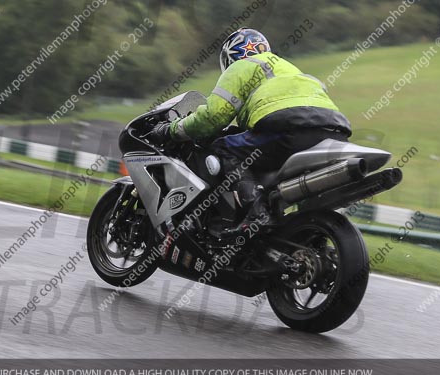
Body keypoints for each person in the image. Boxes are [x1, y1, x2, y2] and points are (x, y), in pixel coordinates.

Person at [150, 27, 352, 235]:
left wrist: (171, 130)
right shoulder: (289, 68)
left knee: (223, 147)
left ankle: (256, 213)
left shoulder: (242, 67)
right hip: (333, 130)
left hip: (288, 129)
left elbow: (213, 117)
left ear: (230, 56)